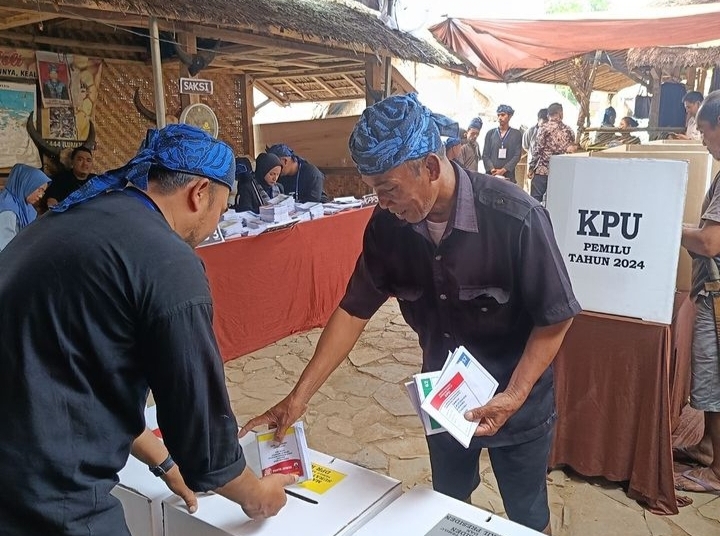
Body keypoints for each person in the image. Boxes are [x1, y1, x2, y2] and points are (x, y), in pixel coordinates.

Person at [241, 94, 580, 534]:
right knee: (445, 507)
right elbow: (353, 309)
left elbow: (556, 315)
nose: (381, 203)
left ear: (432, 169)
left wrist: (514, 395)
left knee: (528, 516)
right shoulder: (388, 227)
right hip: (444, 398)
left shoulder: (516, 218)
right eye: (374, 191)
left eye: (389, 189)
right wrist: (298, 397)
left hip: (518, 399)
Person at [0, 124, 295, 535]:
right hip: (45, 495)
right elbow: (203, 438)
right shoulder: (167, 261)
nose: (216, 224)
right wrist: (257, 495)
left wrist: (159, 456)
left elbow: (65, 367)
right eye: (222, 211)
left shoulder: (64, 220)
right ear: (199, 193)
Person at [675, 89, 720, 495]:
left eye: (706, 132)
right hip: (711, 288)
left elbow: (709, 242)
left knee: (715, 374)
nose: (703, 140)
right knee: (707, 374)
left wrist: (668, 226)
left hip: (719, 294)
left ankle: (718, 470)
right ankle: (707, 446)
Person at [528, 102, 575, 203]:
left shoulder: (543, 129)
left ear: (548, 115)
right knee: (557, 201)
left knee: (535, 201)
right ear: (561, 114)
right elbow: (572, 149)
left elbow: (537, 150)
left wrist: (531, 168)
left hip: (542, 170)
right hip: (561, 171)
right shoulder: (569, 130)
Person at [0, 163, 51, 252]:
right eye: (39, 190)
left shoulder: (22, 205)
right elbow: (6, 249)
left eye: (43, 192)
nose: (41, 196)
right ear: (26, 184)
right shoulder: (8, 211)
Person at [482, 104, 523, 183]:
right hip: (492, 175)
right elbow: (485, 155)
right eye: (498, 115)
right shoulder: (490, 133)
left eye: (503, 115)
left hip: (508, 175)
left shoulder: (516, 134)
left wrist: (504, 170)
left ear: (510, 116)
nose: (500, 118)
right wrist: (492, 169)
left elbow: (517, 156)